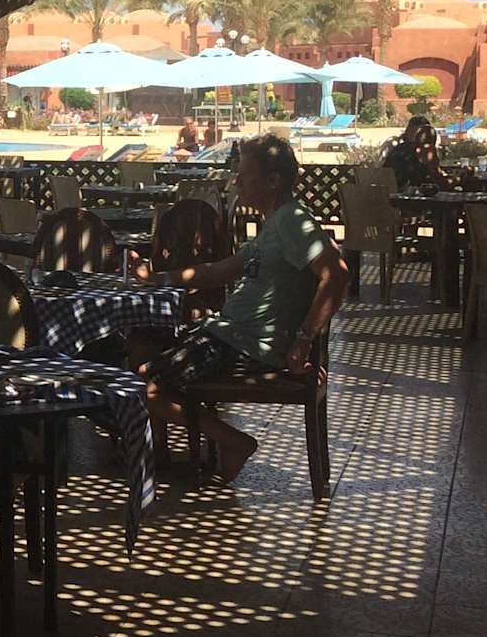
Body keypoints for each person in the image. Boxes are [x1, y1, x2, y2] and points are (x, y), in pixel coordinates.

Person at [141, 134, 348, 482]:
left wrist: (304, 340)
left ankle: (231, 441)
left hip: (243, 344)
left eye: (245, 174)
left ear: (273, 181)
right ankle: (169, 450)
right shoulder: (275, 223)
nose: (236, 181)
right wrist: (158, 279)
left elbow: (337, 274)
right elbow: (221, 271)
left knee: (139, 385)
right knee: (141, 345)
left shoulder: (293, 221)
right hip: (228, 335)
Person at [384, 114, 454, 192]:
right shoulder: (426, 150)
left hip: (389, 193)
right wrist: (456, 180)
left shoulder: (399, 148)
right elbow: (440, 181)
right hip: (407, 195)